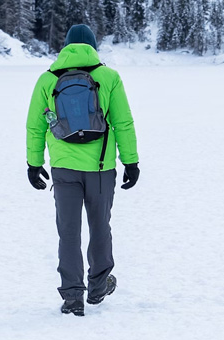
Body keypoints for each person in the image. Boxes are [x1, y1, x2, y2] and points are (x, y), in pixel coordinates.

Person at [25, 24, 139, 317]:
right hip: (101, 168)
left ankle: (72, 296)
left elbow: (35, 126)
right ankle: (99, 286)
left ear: (65, 46)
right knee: (100, 227)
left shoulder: (47, 79)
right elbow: (123, 122)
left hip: (63, 168)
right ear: (92, 46)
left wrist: (34, 163)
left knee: (68, 231)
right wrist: (131, 161)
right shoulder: (109, 77)